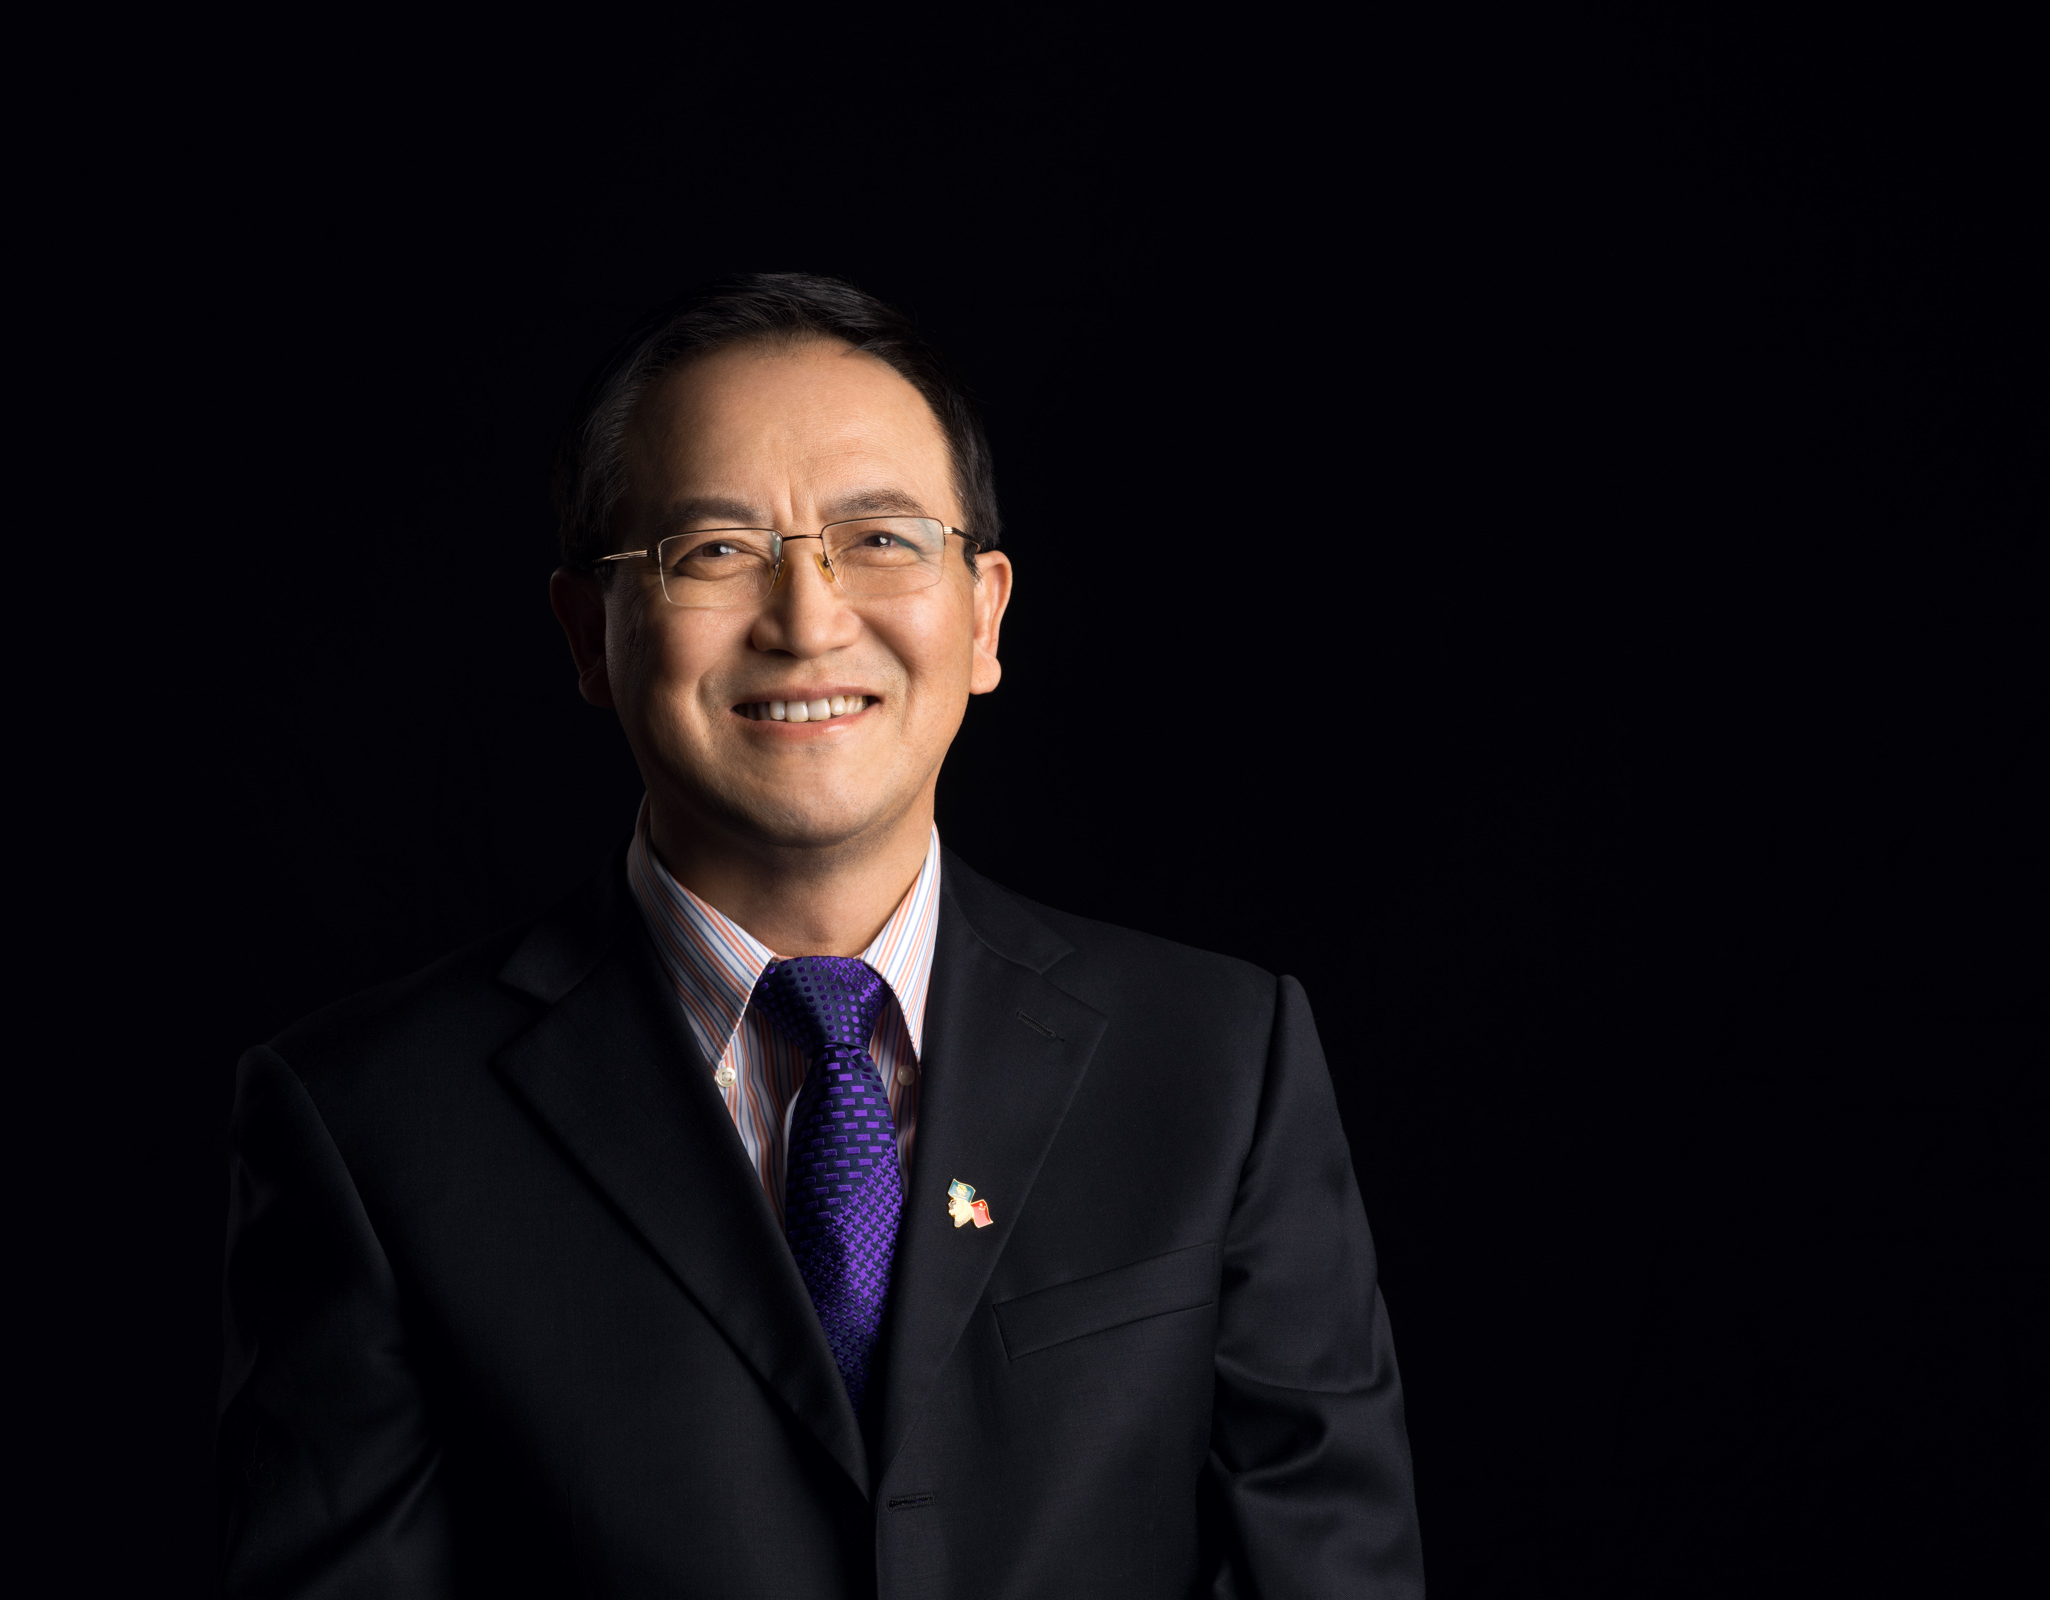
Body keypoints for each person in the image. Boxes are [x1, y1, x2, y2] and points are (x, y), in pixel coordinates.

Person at [219, 273, 1423, 1597]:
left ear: (985, 614)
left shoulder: (1219, 1065)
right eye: (714, 550)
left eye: (883, 538)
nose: (806, 620)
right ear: (588, 635)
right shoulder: (371, 1122)